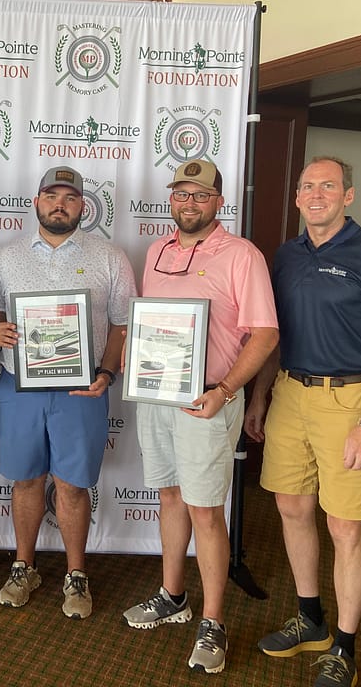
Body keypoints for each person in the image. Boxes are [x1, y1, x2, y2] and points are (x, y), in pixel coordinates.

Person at [245, 156, 361, 687]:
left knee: (345, 527)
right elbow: (273, 335)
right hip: (291, 391)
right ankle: (310, 619)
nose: (316, 194)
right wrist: (260, 397)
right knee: (292, 507)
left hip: (351, 402)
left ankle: (343, 646)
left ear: (349, 195)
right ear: (296, 198)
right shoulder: (286, 255)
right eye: (307, 186)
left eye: (328, 186)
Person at [121, 160, 279, 673]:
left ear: (218, 201)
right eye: (181, 194)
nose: (189, 203)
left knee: (206, 509)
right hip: (156, 395)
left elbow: (265, 334)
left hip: (209, 399)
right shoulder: (157, 250)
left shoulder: (242, 255)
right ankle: (172, 596)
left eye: (200, 195)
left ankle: (213, 621)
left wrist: (229, 390)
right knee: (169, 495)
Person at [0, 165, 137, 620]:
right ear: (36, 202)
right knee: (26, 479)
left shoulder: (110, 257)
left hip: (82, 388)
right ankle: (23, 565)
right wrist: (0, 332)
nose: (60, 204)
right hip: (21, 385)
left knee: (72, 485)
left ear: (82, 207)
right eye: (51, 195)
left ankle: (76, 573)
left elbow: (122, 324)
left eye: (70, 198)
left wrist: (108, 373)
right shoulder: (6, 256)